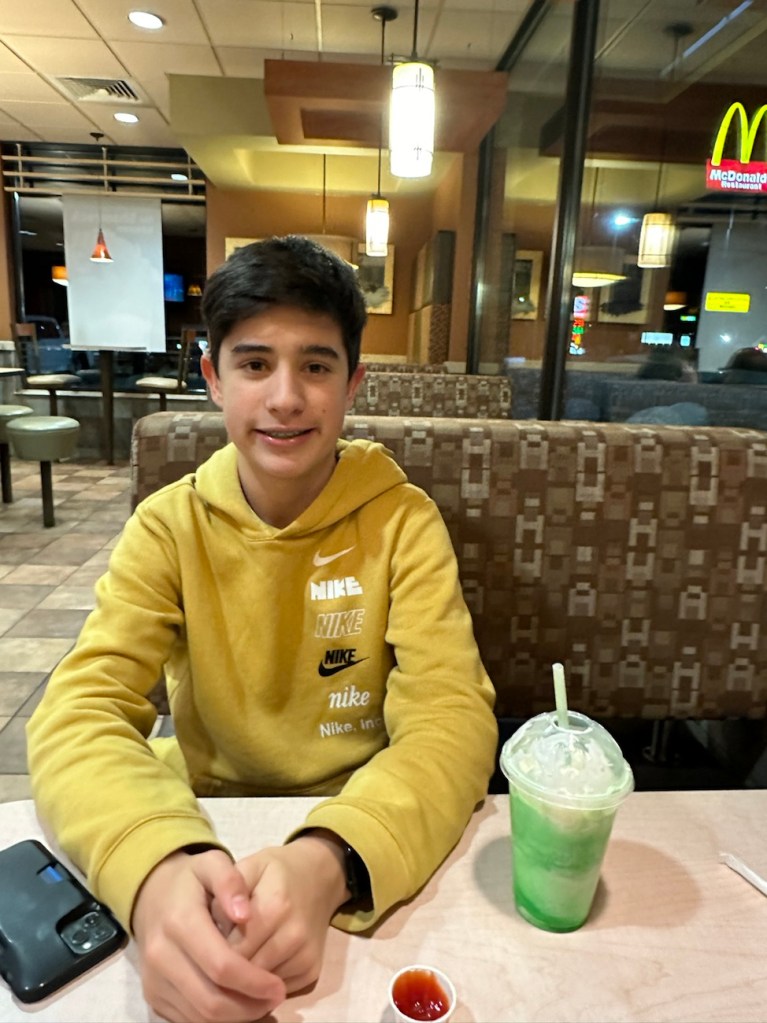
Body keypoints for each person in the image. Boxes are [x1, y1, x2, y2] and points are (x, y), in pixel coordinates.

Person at [26, 236, 497, 1023]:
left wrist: (331, 859)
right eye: (253, 363)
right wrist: (155, 868)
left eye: (315, 365)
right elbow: (79, 711)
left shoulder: (403, 521)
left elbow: (452, 716)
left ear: (352, 383)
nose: (285, 397)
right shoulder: (168, 526)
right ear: (212, 378)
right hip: (203, 822)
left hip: (363, 832)